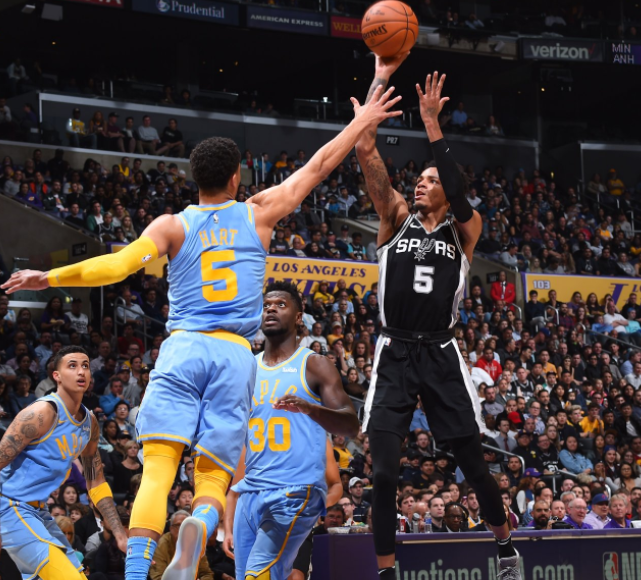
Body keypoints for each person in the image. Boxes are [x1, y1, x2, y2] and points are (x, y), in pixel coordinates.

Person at [0, 90, 400, 580]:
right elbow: (317, 167)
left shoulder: (172, 225)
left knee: (158, 468)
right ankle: (201, 524)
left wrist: (49, 277)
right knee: (212, 473)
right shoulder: (258, 213)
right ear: (236, 177)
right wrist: (359, 123)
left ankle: (137, 573)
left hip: (185, 346)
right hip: (235, 354)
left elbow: (117, 266)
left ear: (195, 178)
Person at [355, 54, 519, 580]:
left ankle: (505, 546)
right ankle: (386, 571)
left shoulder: (466, 229)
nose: (421, 184)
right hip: (395, 350)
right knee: (383, 474)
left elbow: (456, 184)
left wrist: (431, 123)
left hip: (442, 352)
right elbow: (365, 150)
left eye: (431, 179)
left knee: (473, 465)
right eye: (419, 179)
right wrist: (379, 85)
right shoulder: (395, 216)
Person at [224, 282, 359, 580]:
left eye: (281, 305)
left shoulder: (314, 364)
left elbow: (351, 424)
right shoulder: (246, 368)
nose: (271, 309)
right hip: (251, 492)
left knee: (259, 573)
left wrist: (311, 409)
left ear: (299, 317)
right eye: (266, 305)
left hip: (294, 491)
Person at [0, 346, 127, 580]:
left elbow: (96, 482)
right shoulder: (42, 412)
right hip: (10, 507)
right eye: (72, 365)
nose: (81, 371)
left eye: (85, 366)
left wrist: (119, 533)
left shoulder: (90, 423)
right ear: (56, 376)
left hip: (39, 511)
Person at [149, 511, 214, 580]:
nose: (182, 529)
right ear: (171, 528)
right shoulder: (161, 544)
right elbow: (158, 577)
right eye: (178, 525)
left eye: (185, 526)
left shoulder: (195, 544)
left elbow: (207, 574)